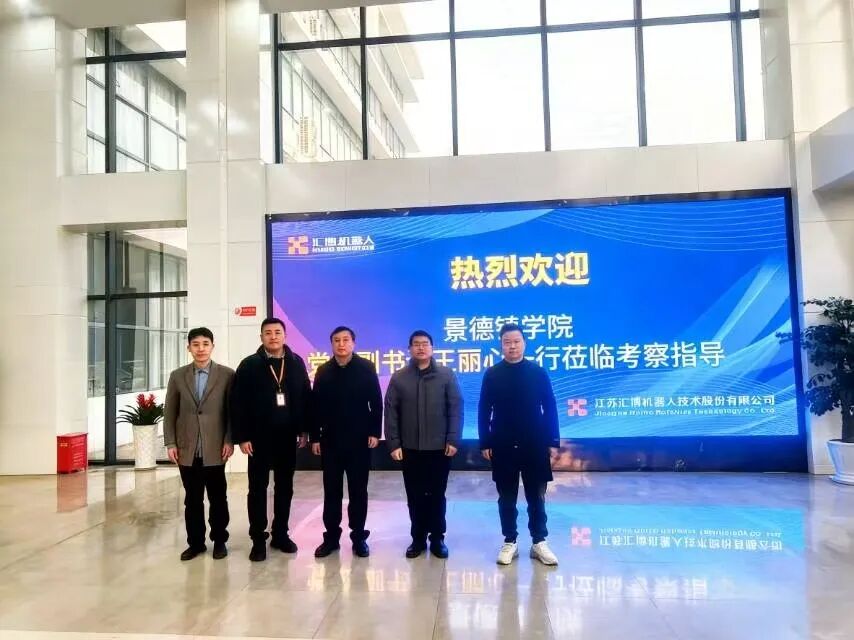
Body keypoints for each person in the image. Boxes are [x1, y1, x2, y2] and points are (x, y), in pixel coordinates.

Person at [478, 323, 560, 566]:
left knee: (537, 496)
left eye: (516, 341)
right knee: (506, 496)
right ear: (501, 345)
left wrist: (552, 439)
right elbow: (484, 409)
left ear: (524, 343)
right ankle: (510, 541)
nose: (512, 346)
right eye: (507, 342)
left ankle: (539, 541)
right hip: (502, 443)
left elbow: (550, 406)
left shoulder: (538, 372)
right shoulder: (492, 374)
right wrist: (485, 441)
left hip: (535, 442)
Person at [231, 317, 311, 562]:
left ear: (285, 335)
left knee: (285, 487)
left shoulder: (296, 362)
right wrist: (242, 436)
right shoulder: (249, 365)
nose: (273, 336)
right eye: (268, 332)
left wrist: (304, 430)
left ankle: (280, 534)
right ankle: (258, 539)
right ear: (261, 337)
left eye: (277, 332)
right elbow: (238, 403)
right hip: (258, 438)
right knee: (257, 489)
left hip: (287, 437)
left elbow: (304, 397)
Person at [385, 330, 462, 559]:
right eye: (416, 344)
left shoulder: (446, 375)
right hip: (410, 448)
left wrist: (453, 439)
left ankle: (437, 538)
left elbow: (456, 408)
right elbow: (391, 413)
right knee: (415, 496)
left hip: (440, 448)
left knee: (437, 495)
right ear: (409, 349)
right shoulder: (399, 377)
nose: (421, 348)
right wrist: (394, 443)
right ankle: (417, 538)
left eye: (425, 344)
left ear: (432, 348)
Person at [163, 327, 235, 561]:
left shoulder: (227, 375)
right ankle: (195, 543)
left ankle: (220, 540)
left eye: (205, 344)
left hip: (215, 446)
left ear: (212, 346)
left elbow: (231, 412)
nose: (201, 349)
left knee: (218, 498)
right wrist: (171, 443)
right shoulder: (178, 376)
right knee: (192, 499)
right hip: (187, 448)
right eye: (196, 344)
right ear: (189, 348)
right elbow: (170, 412)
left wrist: (229, 439)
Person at [310, 326, 382, 558]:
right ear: (331, 344)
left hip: (359, 441)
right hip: (330, 441)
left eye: (345, 340)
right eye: (336, 340)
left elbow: (376, 402)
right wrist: (315, 437)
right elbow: (315, 406)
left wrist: (375, 432)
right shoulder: (323, 371)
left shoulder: (366, 368)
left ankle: (359, 537)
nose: (341, 344)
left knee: (358, 491)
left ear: (353, 343)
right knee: (331, 491)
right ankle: (331, 538)